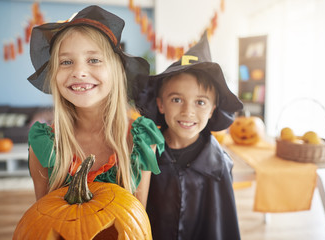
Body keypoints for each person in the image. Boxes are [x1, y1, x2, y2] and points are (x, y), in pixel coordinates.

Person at [26, 5, 164, 208]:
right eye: (66, 62)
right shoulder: (44, 146)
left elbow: (137, 224)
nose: (79, 71)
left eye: (94, 60)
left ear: (116, 71)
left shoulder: (140, 140)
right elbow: (44, 221)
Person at [136, 32, 243, 239]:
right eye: (177, 99)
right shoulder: (146, 154)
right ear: (160, 104)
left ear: (212, 109)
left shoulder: (218, 166)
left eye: (200, 102)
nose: (187, 112)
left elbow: (222, 225)